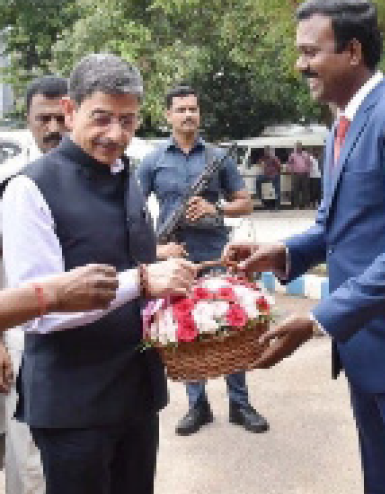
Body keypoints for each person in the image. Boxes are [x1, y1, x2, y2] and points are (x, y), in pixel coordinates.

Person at [223, 1, 385, 493]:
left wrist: (318, 320)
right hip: (366, 346)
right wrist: (283, 254)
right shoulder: (342, 126)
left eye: (310, 52)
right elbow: (335, 226)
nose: (300, 64)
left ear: (352, 51)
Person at [1, 53, 197, 494]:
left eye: (128, 121)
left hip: (136, 390)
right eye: (102, 118)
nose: (116, 134)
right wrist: (142, 281)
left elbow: (131, 260)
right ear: (71, 111)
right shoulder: (29, 189)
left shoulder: (125, 175)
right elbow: (40, 313)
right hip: (74, 404)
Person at [137, 85, 268, 436]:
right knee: (185, 329)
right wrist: (157, 249)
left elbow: (245, 203)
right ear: (168, 115)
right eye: (180, 110)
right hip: (174, 256)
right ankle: (198, 406)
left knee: (231, 325)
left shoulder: (216, 157)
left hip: (215, 254)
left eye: (193, 109)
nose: (188, 115)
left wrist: (216, 208)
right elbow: (134, 211)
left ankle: (240, 403)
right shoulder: (153, 160)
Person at [0, 74, 69, 494]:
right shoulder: (13, 185)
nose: (53, 128)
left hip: (84, 344)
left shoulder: (104, 180)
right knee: (28, 459)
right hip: (23, 340)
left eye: (60, 117)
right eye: (43, 118)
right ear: (27, 120)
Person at [287, 141, 311, 208]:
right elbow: (289, 164)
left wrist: (308, 171)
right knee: (295, 190)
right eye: (297, 146)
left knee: (305, 190)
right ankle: (296, 205)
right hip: (296, 174)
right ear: (295, 147)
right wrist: (291, 171)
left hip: (305, 174)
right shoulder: (292, 155)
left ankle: (305, 205)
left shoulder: (305, 154)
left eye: (299, 146)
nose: (298, 147)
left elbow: (309, 163)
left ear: (301, 147)